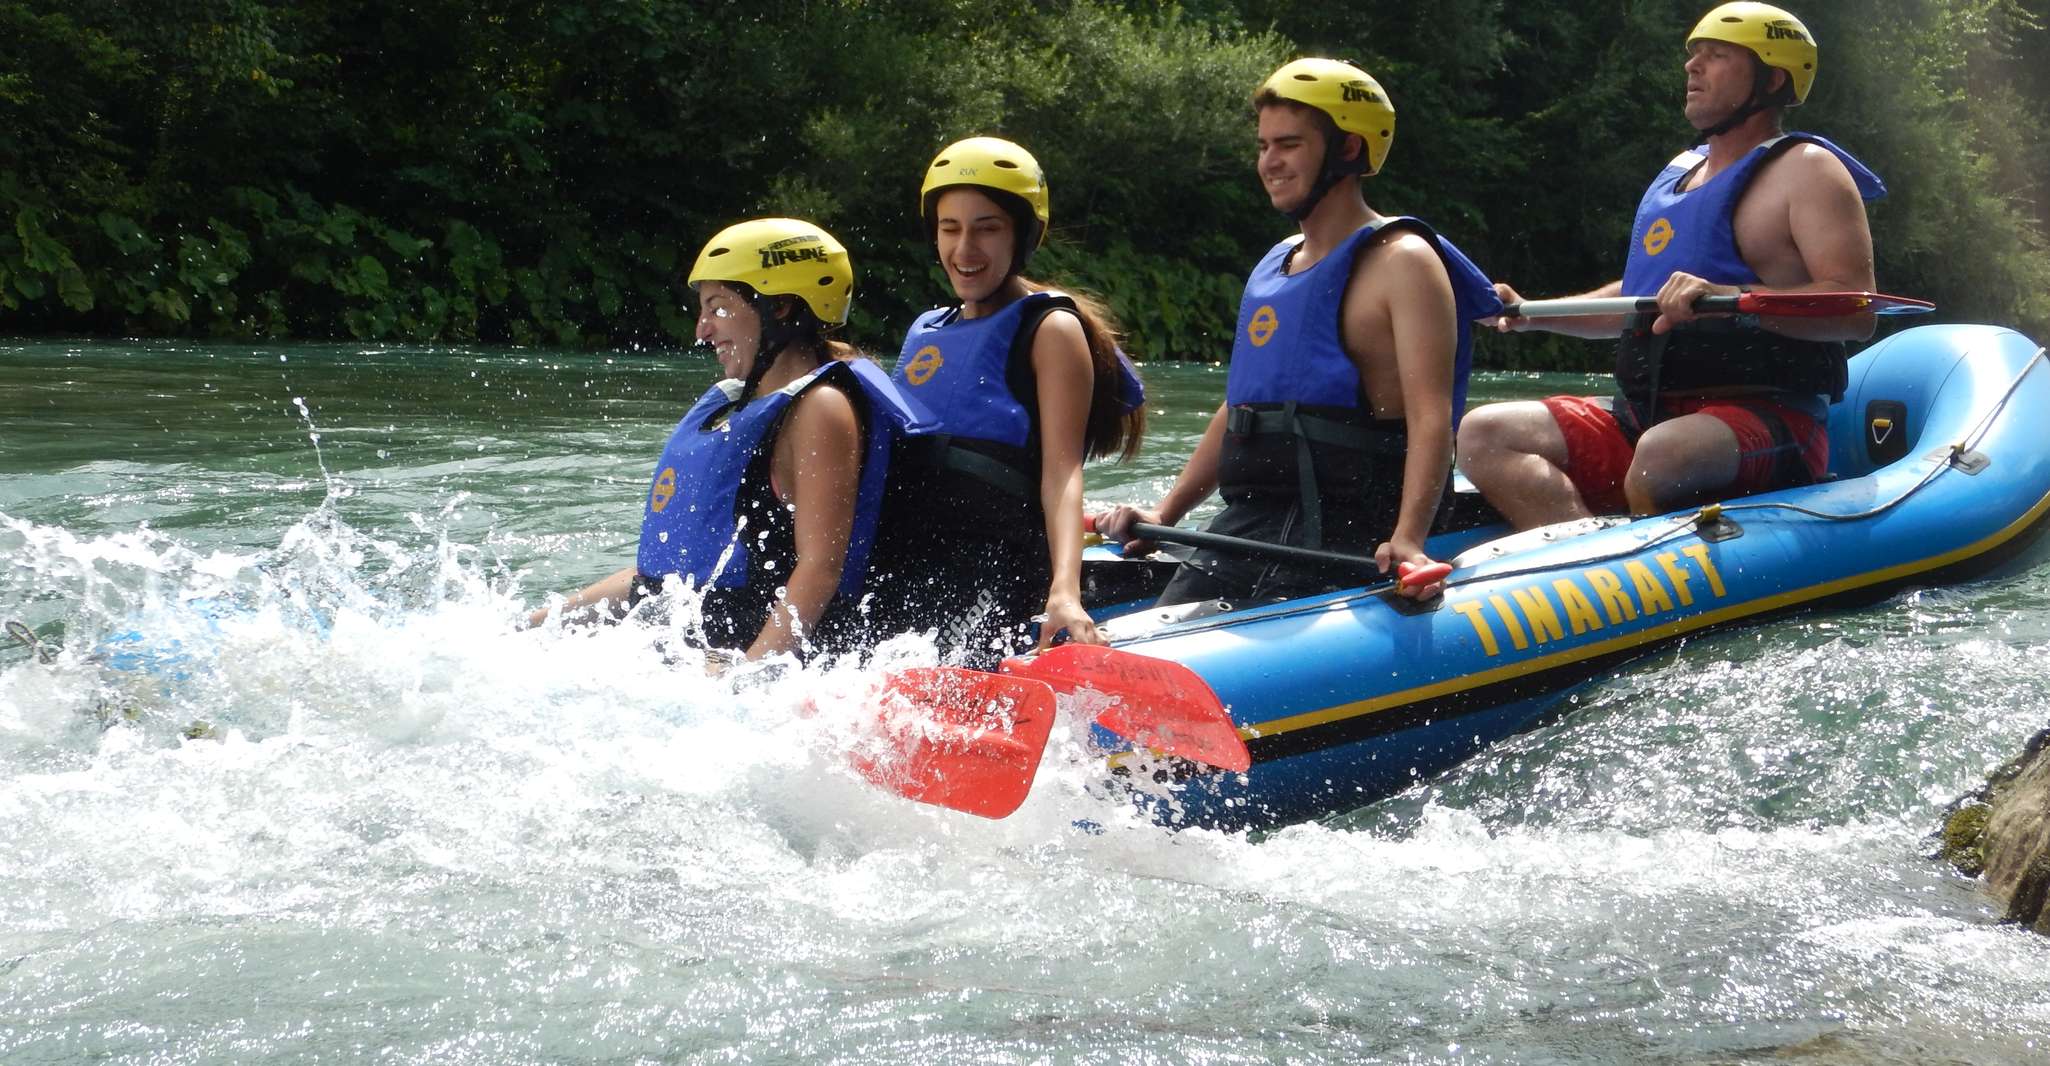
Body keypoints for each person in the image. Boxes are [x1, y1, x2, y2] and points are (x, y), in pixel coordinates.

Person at [1457, 2, 1883, 526]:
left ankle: (1622, 559)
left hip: (1767, 420)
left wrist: (1728, 300)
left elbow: (1855, 308)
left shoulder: (1809, 170)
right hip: (1646, 418)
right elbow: (1636, 298)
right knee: (1483, 434)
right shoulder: (1681, 175)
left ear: (1772, 79)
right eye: (1693, 54)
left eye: (1717, 54)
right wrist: (1525, 311)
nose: (1692, 66)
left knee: (1661, 457)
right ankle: (1585, 558)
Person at [1094, 58, 1500, 604]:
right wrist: (1167, 513)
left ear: (1349, 150)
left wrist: (1408, 539)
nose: (1269, 162)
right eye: (1263, 146)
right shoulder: (1277, 262)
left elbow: (1433, 418)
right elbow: (1243, 408)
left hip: (1346, 525)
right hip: (1257, 519)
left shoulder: (1403, 261)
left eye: (1288, 144)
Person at [527, 218, 931, 663]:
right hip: (703, 647)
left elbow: (820, 569)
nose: (702, 330)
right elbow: (662, 579)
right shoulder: (744, 405)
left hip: (763, 665)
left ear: (779, 307)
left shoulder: (822, 409)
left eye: (718, 308)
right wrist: (538, 624)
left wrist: (743, 684)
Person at [864, 136, 1145, 668]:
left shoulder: (1051, 330)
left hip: (997, 564)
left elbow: (1063, 474)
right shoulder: (927, 330)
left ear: (1024, 236)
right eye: (951, 229)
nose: (965, 250)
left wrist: (1065, 590)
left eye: (987, 228)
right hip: (911, 558)